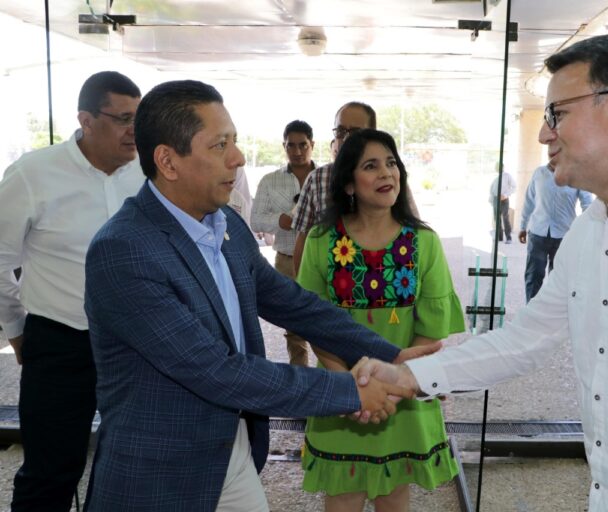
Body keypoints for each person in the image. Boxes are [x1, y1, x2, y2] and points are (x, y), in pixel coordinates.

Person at [357, 34, 608, 511]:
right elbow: (523, 340)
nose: (543, 134)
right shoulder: (590, 230)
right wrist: (408, 375)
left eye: (557, 113)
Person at [82, 80, 435, 512]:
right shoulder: (124, 251)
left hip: (232, 451)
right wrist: (350, 392)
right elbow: (217, 371)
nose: (238, 157)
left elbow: (295, 304)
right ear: (168, 161)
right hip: (162, 472)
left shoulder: (226, 226)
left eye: (234, 141)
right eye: (219, 146)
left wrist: (392, 356)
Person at [298, 129, 463, 512]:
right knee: (343, 495)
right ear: (350, 183)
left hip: (402, 396)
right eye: (371, 166)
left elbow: (431, 330)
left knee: (394, 495)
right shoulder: (323, 240)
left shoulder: (424, 242)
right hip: (340, 396)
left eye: (391, 163)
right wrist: (347, 385)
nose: (386, 173)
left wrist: (389, 386)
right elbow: (311, 319)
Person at [0, 71, 143, 512]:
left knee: (130, 466)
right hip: (60, 341)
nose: (134, 131)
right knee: (50, 471)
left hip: (136, 344)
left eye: (139, 117)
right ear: (85, 118)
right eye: (123, 118)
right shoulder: (32, 174)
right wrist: (16, 329)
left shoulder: (150, 175)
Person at [291, 101, 419, 274]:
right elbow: (303, 237)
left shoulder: (391, 181)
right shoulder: (317, 179)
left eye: (355, 132)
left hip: (391, 276)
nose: (346, 138)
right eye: (341, 131)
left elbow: (412, 229)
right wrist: (302, 291)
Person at [251, 120, 317, 366]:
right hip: (287, 260)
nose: (297, 151)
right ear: (284, 146)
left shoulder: (326, 177)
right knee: (294, 323)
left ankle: (334, 374)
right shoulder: (270, 181)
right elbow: (255, 219)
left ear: (313, 145)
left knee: (328, 316)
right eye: (291, 146)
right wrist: (282, 220)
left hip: (324, 259)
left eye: (303, 145)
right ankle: (300, 376)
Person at [518, 163, 592, 301]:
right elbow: (529, 201)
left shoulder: (576, 174)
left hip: (564, 236)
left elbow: (587, 204)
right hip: (537, 234)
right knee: (533, 276)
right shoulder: (539, 173)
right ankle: (531, 311)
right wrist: (522, 226)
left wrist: (587, 230)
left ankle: (552, 315)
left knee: (558, 280)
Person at [489, 166, 516, 243]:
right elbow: (492, 190)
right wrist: (492, 201)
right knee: (497, 219)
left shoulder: (507, 176)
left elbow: (514, 187)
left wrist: (505, 195)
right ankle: (499, 237)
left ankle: (509, 238)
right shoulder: (495, 178)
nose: (498, 168)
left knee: (505, 218)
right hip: (495, 200)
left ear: (503, 167)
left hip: (504, 200)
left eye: (500, 166)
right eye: (497, 167)